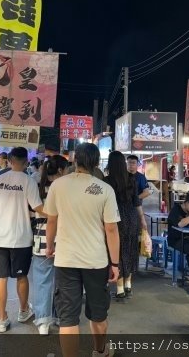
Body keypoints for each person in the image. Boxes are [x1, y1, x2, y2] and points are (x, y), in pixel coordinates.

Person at [44, 143, 120, 357]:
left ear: (75, 160)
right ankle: (100, 351)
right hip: (96, 261)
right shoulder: (105, 189)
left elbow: (52, 220)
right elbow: (112, 229)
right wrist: (114, 263)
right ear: (96, 162)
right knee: (98, 314)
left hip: (66, 259)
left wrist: (50, 246)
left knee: (68, 318)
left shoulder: (59, 185)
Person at [0, 147, 43, 333]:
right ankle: (23, 311)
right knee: (21, 276)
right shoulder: (29, 181)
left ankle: (2, 319)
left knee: (0, 278)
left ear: (9, 161)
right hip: (20, 237)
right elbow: (38, 207)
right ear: (26, 161)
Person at [32, 155, 69, 335]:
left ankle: (43, 322)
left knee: (42, 281)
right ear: (61, 170)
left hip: (41, 238)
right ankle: (61, 317)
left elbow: (33, 210)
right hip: (63, 238)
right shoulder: (66, 188)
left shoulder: (38, 187)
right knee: (62, 281)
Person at [104, 151, 146, 301]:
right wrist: (142, 220)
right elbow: (137, 202)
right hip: (132, 217)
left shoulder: (106, 181)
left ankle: (120, 289)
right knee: (130, 249)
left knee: (117, 252)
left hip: (115, 218)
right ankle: (128, 285)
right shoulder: (131, 180)